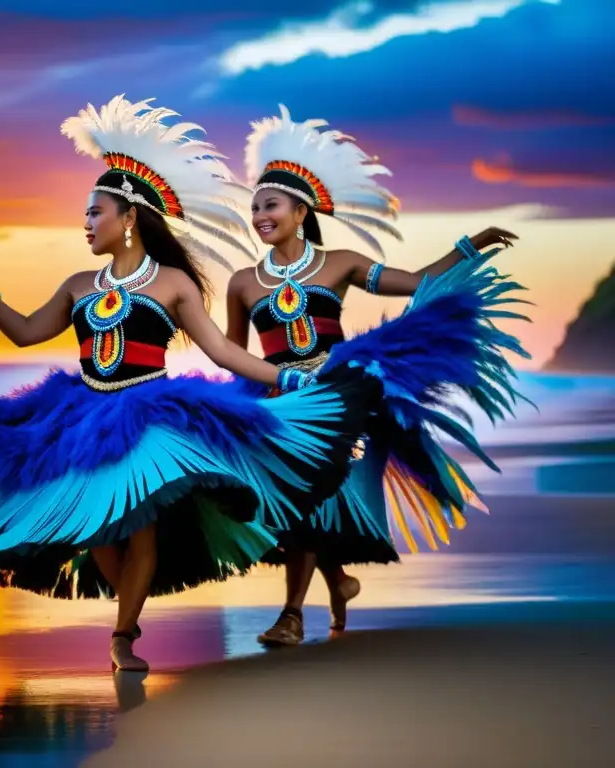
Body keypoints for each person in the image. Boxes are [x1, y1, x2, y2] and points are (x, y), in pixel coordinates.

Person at [0, 96, 380, 673]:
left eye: (95, 213)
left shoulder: (173, 283)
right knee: (100, 532)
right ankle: (128, 611)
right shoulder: (78, 283)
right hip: (81, 416)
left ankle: (123, 636)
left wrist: (286, 375)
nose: (85, 224)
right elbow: (27, 334)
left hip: (151, 416)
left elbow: (223, 350)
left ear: (128, 217)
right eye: (85, 215)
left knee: (142, 529)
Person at [225, 105, 530, 645]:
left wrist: (470, 245)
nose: (259, 215)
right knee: (299, 500)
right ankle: (337, 581)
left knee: (307, 496)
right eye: (254, 208)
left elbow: (413, 282)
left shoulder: (339, 263)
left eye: (270, 205)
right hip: (275, 402)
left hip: (338, 398)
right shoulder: (242, 282)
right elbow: (230, 352)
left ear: (300, 211)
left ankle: (291, 616)